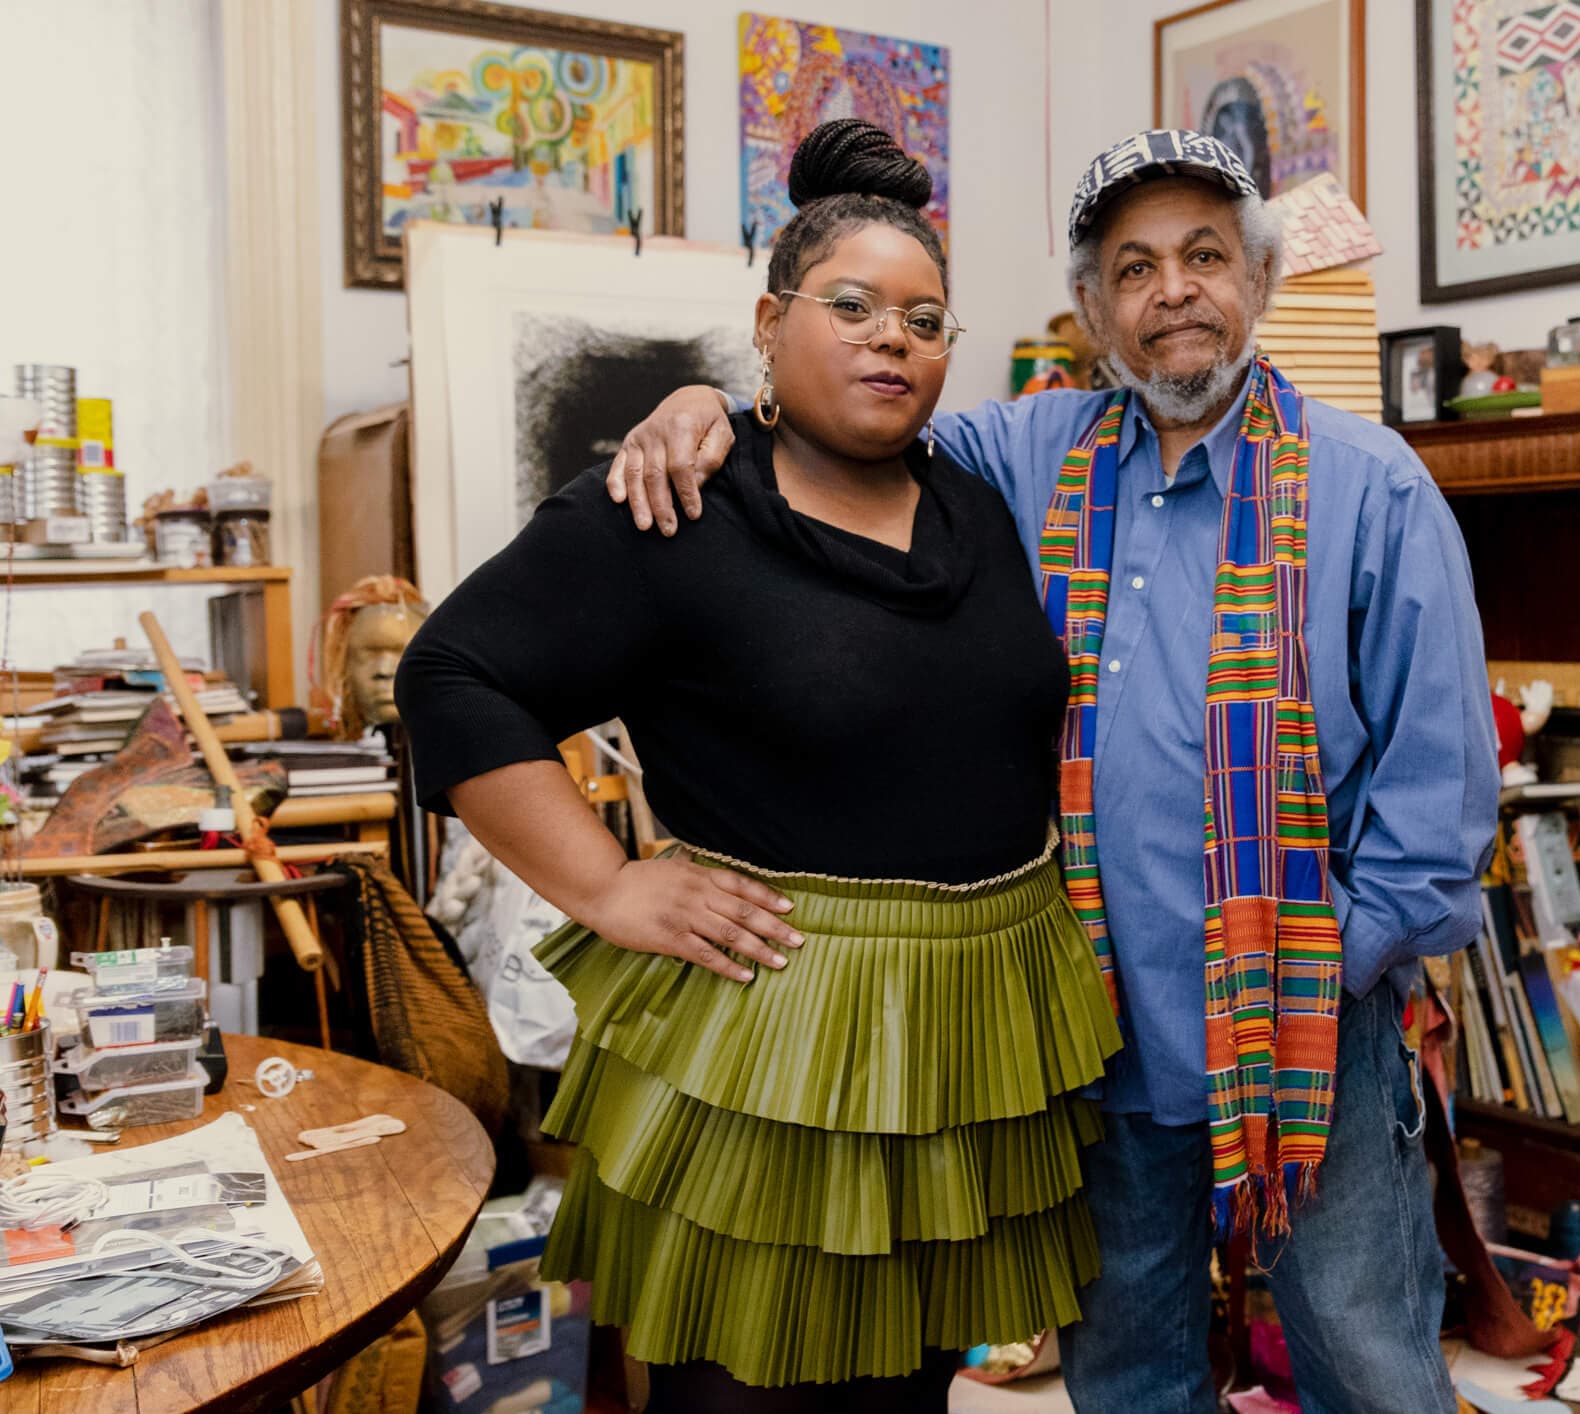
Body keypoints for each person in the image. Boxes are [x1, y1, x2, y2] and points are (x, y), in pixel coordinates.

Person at [606, 129, 1500, 1414]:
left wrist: (1327, 964)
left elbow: (1437, 799)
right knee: (1127, 1377)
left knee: (1370, 1367)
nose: (1173, 290)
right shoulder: (1018, 460)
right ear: (1092, 310)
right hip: (1098, 1033)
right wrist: (705, 399)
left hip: (1312, 1023)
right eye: (1133, 268)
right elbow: (848, 418)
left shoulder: (1372, 488)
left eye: (1204, 255)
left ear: (1259, 279)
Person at [394, 120, 1120, 1413]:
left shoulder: (985, 502)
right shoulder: (676, 506)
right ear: (772, 320)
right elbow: (452, 676)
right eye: (853, 305)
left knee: (906, 1390)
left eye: (926, 316)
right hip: (774, 1031)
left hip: (964, 1035)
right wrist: (611, 887)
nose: (894, 335)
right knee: (749, 1393)